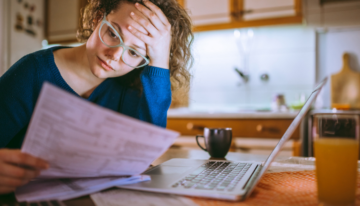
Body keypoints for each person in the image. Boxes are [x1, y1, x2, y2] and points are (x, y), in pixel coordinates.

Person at [0, 0, 193, 194]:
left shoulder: (132, 88)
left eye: (134, 52)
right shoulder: (32, 72)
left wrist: (160, 60)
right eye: (112, 33)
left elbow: (144, 154)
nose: (115, 56)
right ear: (97, 19)